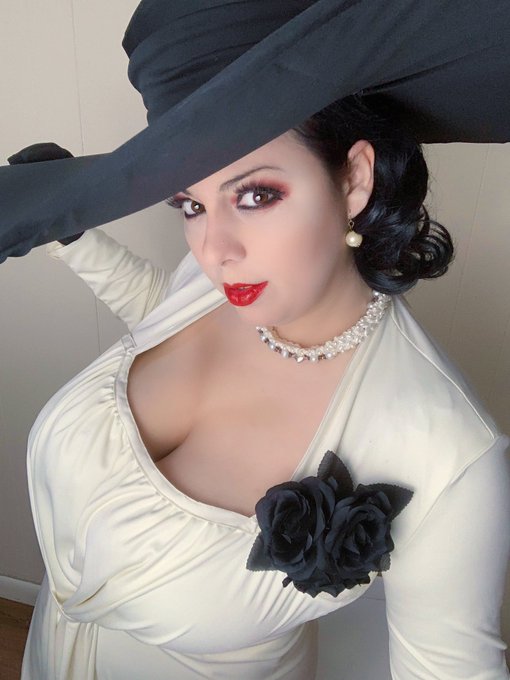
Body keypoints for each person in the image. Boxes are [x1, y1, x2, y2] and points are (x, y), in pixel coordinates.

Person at [2, 2, 509, 679]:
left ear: (354, 179)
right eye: (190, 203)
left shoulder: (448, 453)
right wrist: (76, 243)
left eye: (255, 196)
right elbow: (162, 315)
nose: (214, 249)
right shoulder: (226, 283)